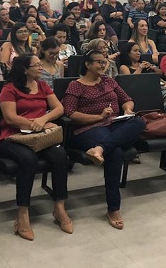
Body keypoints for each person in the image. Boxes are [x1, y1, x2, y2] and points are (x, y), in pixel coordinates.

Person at [62, 50, 146, 230]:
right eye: (98, 62)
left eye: (104, 62)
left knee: (138, 121)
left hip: (114, 124)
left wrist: (127, 109)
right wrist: (98, 117)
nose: (103, 65)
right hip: (88, 128)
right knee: (114, 151)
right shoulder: (75, 86)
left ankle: (100, 149)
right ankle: (113, 208)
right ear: (87, 64)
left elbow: (127, 99)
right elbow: (70, 114)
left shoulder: (109, 81)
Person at [0, 55, 72, 239]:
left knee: (60, 156)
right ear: (24, 69)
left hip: (39, 136)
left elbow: (59, 108)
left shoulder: (42, 85)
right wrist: (35, 124)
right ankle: (22, 213)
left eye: (41, 64)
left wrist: (42, 120)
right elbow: (10, 118)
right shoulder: (9, 89)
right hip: (13, 136)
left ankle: (59, 207)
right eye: (37, 65)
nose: (41, 67)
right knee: (28, 159)